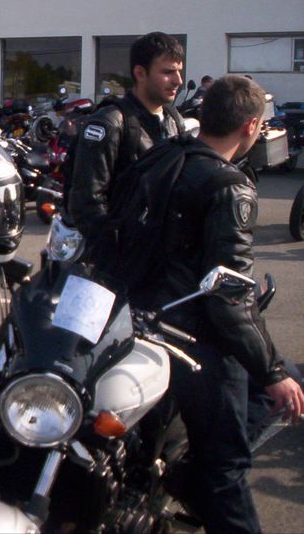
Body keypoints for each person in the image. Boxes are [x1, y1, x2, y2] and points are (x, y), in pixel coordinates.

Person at [127, 76, 303, 534]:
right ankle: (198, 479)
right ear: (250, 126)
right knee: (228, 464)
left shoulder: (164, 155)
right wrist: (272, 373)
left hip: (139, 320)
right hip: (196, 338)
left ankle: (185, 476)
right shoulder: (230, 186)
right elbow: (229, 299)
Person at [67, 31, 186, 247]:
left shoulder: (174, 119)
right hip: (124, 263)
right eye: (168, 72)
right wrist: (116, 249)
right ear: (140, 73)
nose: (178, 80)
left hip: (163, 257)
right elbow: (87, 201)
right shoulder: (109, 123)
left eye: (179, 71)